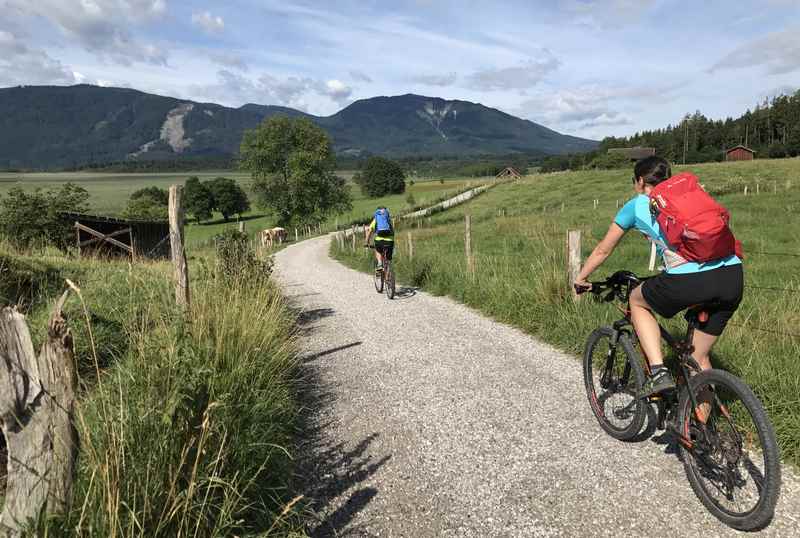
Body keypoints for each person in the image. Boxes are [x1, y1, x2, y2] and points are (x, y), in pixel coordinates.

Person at [574, 156, 743, 397]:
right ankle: (699, 428)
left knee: (636, 299)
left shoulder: (637, 204)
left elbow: (603, 249)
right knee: (698, 359)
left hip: (690, 280)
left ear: (640, 181)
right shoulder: (692, 196)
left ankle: (658, 373)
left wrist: (581, 278)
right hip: (732, 275)